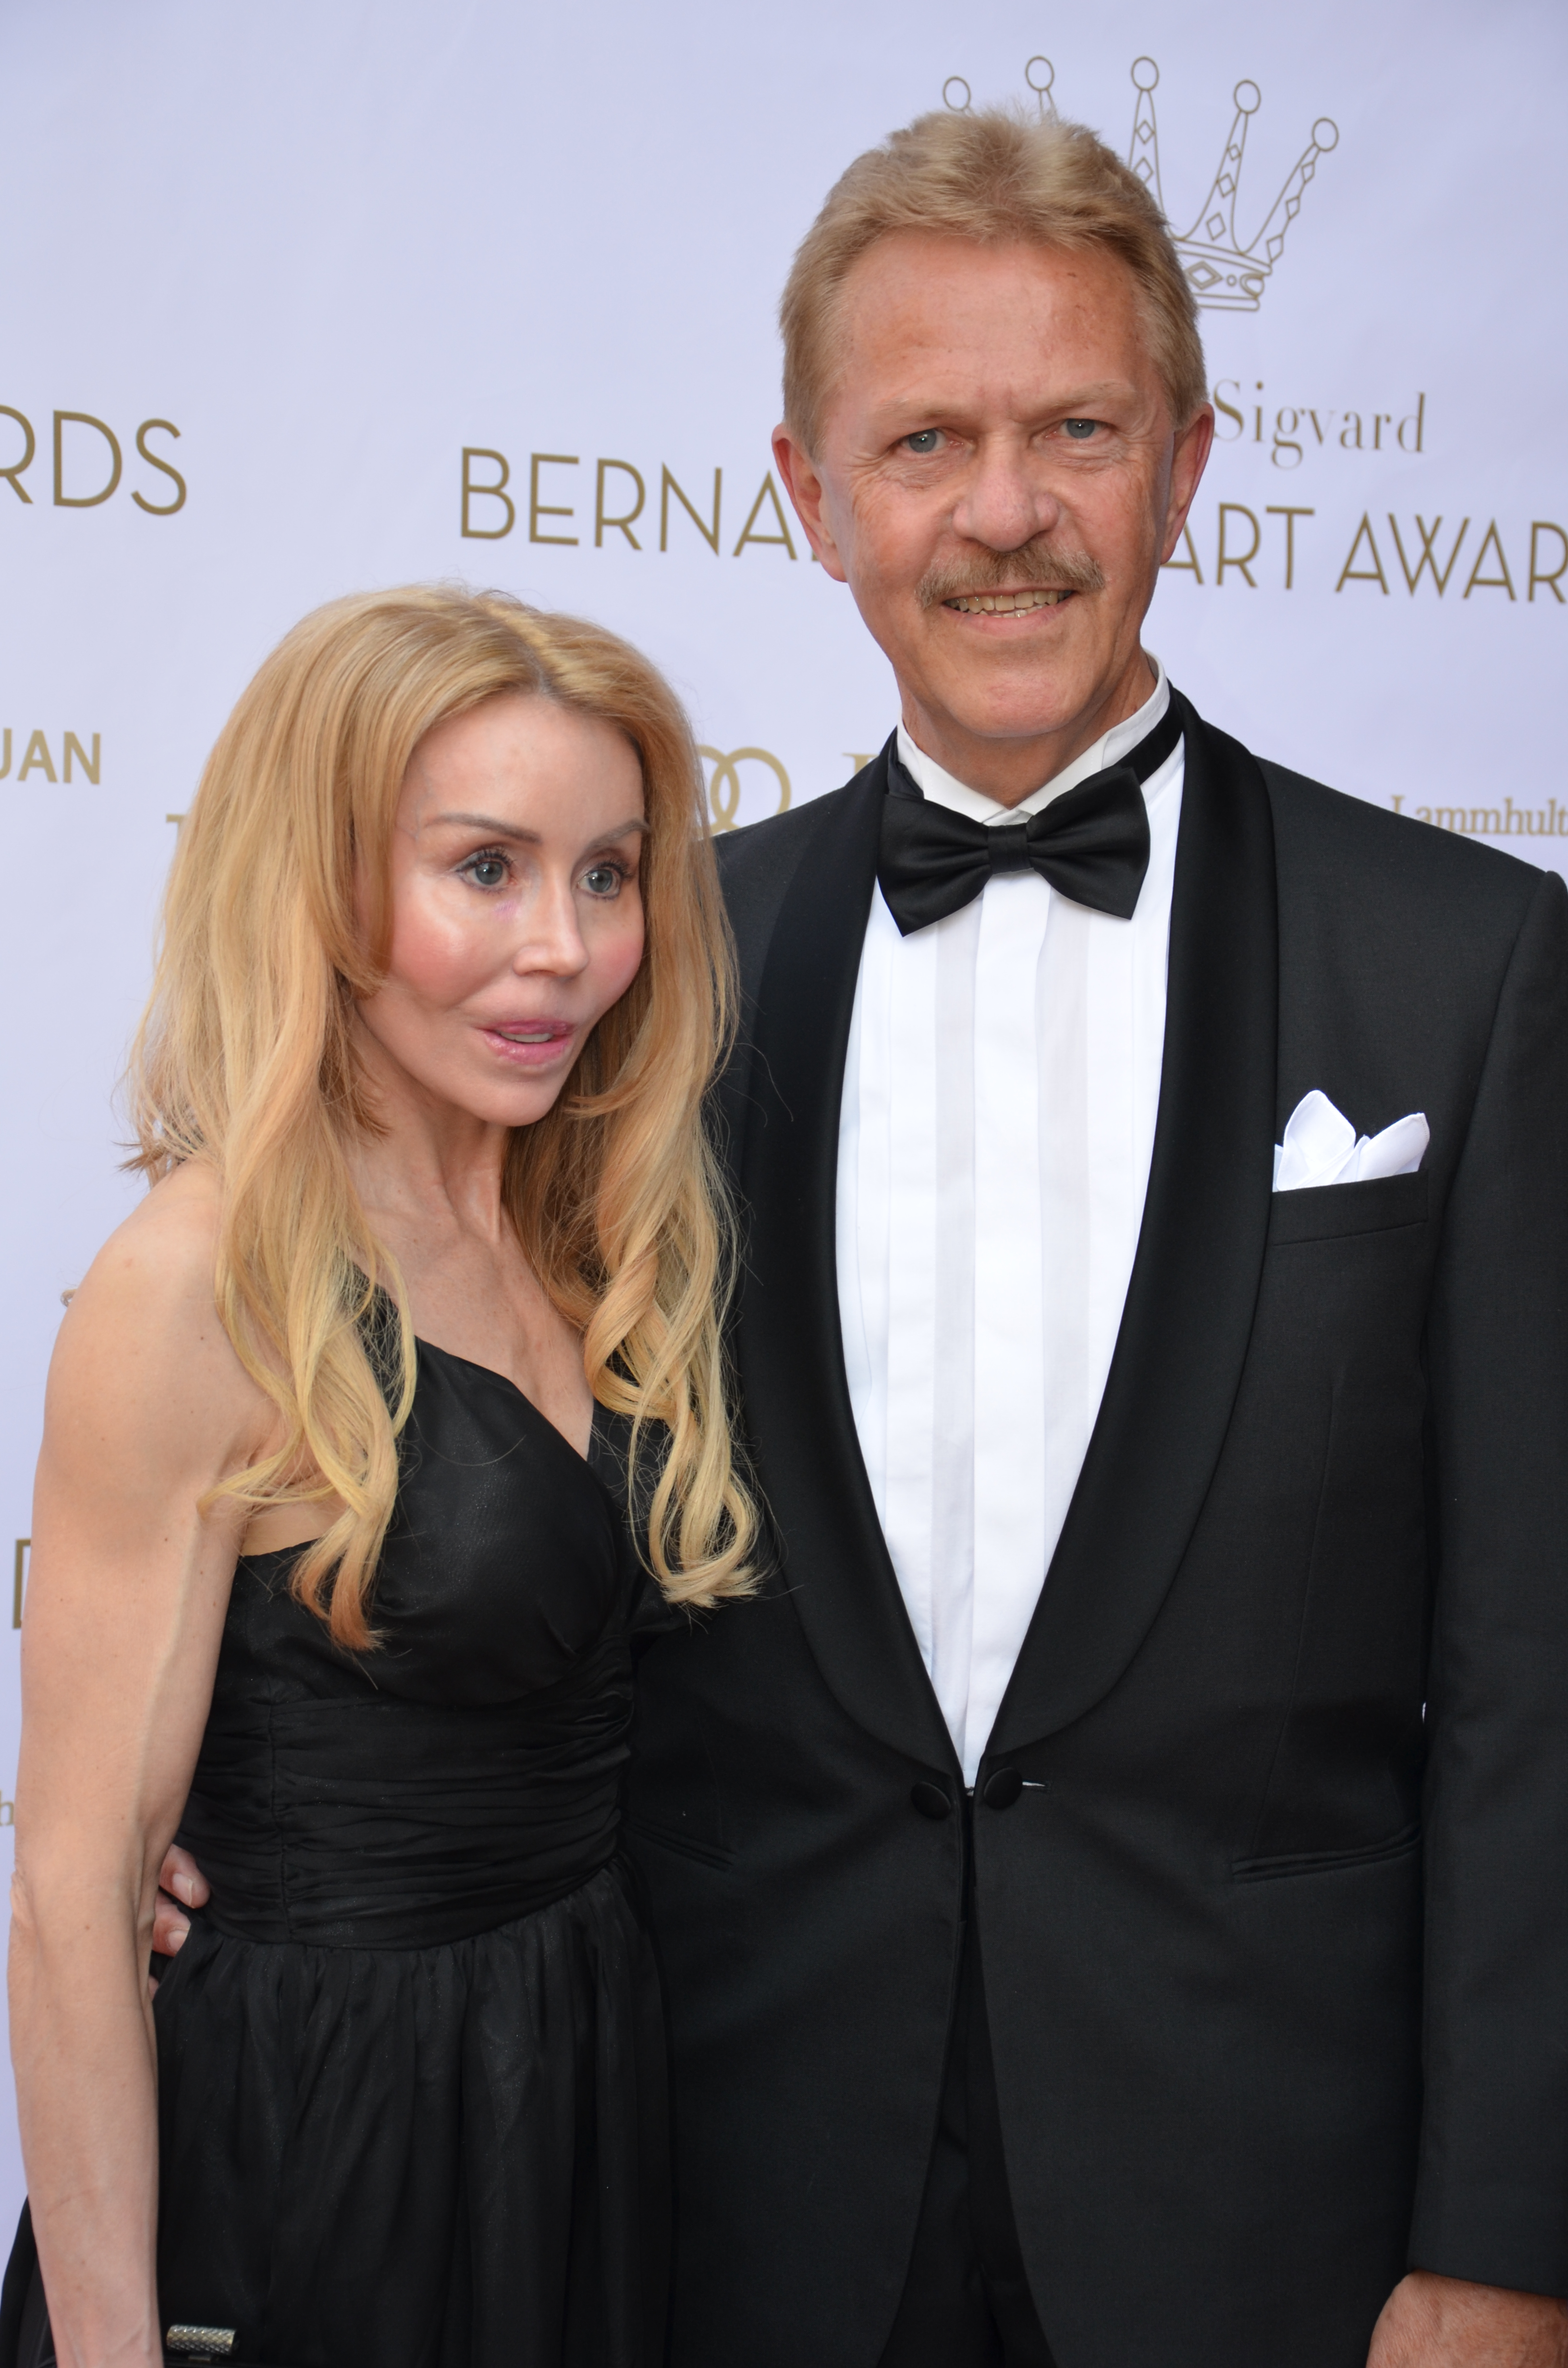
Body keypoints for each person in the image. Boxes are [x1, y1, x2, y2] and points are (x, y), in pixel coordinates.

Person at [152, 108, 1568, 2368]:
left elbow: (1535, 1672)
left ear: (1190, 466)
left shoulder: (1469, 967)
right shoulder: (637, 983)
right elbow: (409, 1391)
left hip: (1273, 2206)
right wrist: (224, 1807)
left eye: (1076, 428)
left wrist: (1508, 2237)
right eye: (924, 440)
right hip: (725, 2184)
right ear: (809, 496)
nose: (1004, 509)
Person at [4, 586, 753, 2368]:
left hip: (577, 2105)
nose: (564, 947)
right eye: (484, 868)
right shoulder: (204, 1283)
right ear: (323, 886)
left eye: (607, 874)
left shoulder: (599, 1231)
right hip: (319, 2152)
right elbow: (74, 1896)